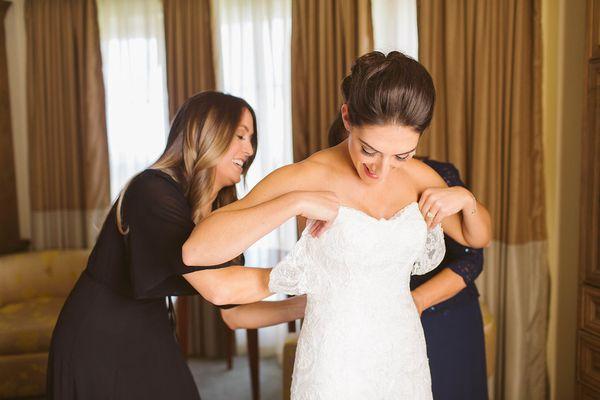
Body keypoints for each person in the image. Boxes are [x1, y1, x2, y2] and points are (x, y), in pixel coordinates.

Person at [183, 51, 492, 399]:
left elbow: (476, 236)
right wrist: (294, 202)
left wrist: (465, 200)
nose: (382, 169)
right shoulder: (307, 175)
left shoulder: (420, 176)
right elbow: (196, 251)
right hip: (335, 359)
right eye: (369, 150)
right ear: (347, 117)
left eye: (401, 155)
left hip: (403, 355)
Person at [47, 92, 277, 400]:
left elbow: (235, 313)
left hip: (148, 326)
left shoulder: (213, 208)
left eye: (251, 139)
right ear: (205, 134)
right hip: (99, 336)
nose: (249, 149)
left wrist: (308, 304)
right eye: (240, 136)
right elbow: (220, 289)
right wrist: (303, 267)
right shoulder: (152, 191)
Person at [328, 114, 489, 399]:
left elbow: (472, 256)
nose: (372, 168)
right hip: (373, 326)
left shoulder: (432, 177)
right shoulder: (332, 192)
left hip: (445, 318)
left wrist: (416, 302)